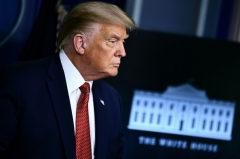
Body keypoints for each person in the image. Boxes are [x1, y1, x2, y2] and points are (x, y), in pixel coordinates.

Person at [0, 1, 136, 159]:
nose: (122, 52)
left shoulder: (111, 99)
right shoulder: (18, 83)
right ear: (80, 43)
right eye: (112, 41)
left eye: (123, 42)